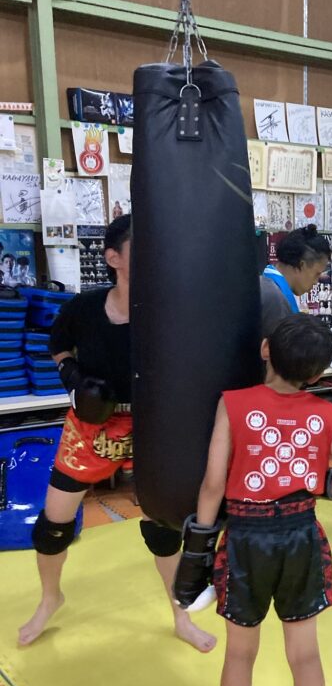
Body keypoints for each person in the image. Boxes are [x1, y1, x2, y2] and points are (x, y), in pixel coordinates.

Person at [174, 315, 332, 686]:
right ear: (317, 375)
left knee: (240, 655)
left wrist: (197, 550)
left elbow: (212, 485)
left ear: (265, 350)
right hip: (300, 534)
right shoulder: (325, 414)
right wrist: (323, 484)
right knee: (305, 656)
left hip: (246, 537)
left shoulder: (233, 404)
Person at [17, 214, 216, 653]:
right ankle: (50, 599)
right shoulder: (84, 308)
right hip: (92, 424)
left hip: (152, 427)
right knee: (52, 526)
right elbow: (58, 346)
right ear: (113, 258)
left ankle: (181, 617)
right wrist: (73, 379)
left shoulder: (169, 312)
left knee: (162, 528)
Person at [260, 224, 331, 337]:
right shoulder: (276, 300)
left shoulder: (266, 283)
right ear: (301, 265)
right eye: (317, 274)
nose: (316, 282)